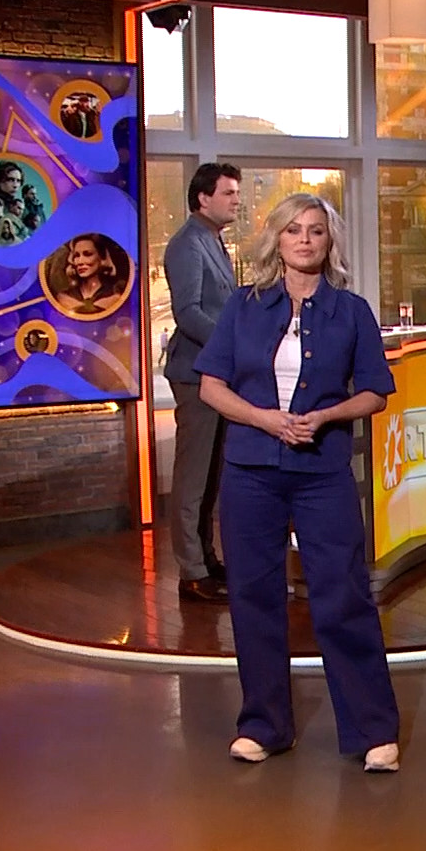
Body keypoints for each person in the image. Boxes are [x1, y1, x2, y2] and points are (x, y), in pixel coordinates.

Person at [194, 192, 402, 773]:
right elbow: (211, 386)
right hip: (250, 473)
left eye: (315, 230)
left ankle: (373, 731)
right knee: (254, 597)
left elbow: (375, 392)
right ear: (277, 240)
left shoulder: (351, 311)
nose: (304, 239)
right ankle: (263, 726)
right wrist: (264, 419)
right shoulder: (244, 306)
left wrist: (328, 415)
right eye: (293, 230)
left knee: (343, 594)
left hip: (322, 473)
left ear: (329, 241)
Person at [162, 162, 243, 603]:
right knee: (194, 475)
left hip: (217, 375)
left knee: (213, 473)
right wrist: (232, 346)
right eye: (229, 193)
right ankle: (191, 571)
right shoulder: (187, 244)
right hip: (195, 375)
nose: (236, 201)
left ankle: (206, 560)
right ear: (203, 198)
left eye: (236, 193)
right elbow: (189, 313)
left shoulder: (213, 240)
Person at [51, 234, 126, 316]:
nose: (80, 261)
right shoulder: (65, 296)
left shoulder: (113, 295)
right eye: (76, 256)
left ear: (101, 258)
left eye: (88, 254)